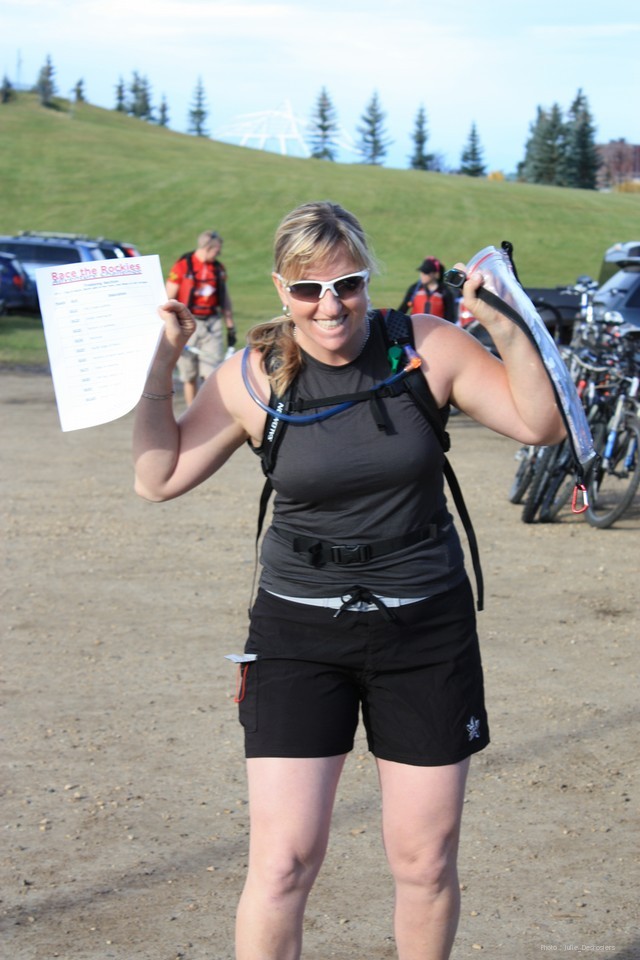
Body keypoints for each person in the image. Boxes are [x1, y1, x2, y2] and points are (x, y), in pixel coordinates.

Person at [133, 200, 565, 960]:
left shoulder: (424, 347)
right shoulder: (255, 375)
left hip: (424, 628)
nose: (330, 306)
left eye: (348, 285)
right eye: (309, 290)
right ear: (282, 289)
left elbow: (541, 424)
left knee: (424, 862)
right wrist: (163, 364)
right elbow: (157, 477)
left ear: (369, 279)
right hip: (298, 630)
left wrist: (504, 324)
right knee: (283, 864)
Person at [165, 229, 236, 405]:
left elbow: (225, 299)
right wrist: (170, 325)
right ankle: (191, 409)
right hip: (188, 323)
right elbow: (168, 298)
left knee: (211, 373)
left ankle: (208, 410)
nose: (219, 253)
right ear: (208, 248)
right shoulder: (183, 266)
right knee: (189, 374)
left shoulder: (218, 269)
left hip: (212, 324)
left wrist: (230, 326)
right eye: (217, 250)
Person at [399, 255, 457, 322]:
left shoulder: (444, 292)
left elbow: (450, 316)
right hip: (416, 326)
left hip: (437, 327)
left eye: (426, 273)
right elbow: (403, 309)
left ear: (435, 274)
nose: (422, 275)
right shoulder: (414, 289)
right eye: (422, 272)